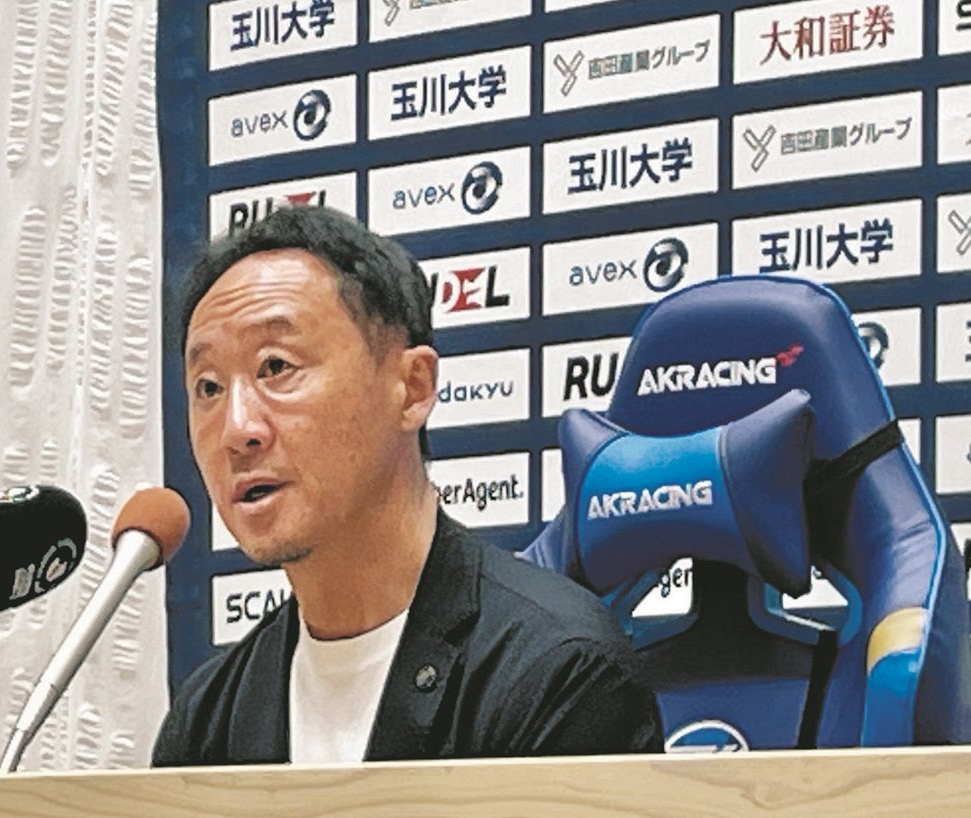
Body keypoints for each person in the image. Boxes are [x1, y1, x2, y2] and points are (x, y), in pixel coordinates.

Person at [153, 205, 662, 766]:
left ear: (412, 387)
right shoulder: (206, 720)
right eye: (208, 387)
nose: (237, 429)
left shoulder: (559, 671)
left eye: (276, 367)